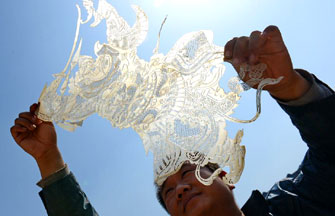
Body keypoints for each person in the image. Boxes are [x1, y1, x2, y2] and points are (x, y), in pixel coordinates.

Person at [10, 25, 335, 216]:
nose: (179, 188)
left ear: (226, 177)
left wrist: (290, 86)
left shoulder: (296, 203)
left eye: (188, 173)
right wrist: (48, 157)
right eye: (168, 193)